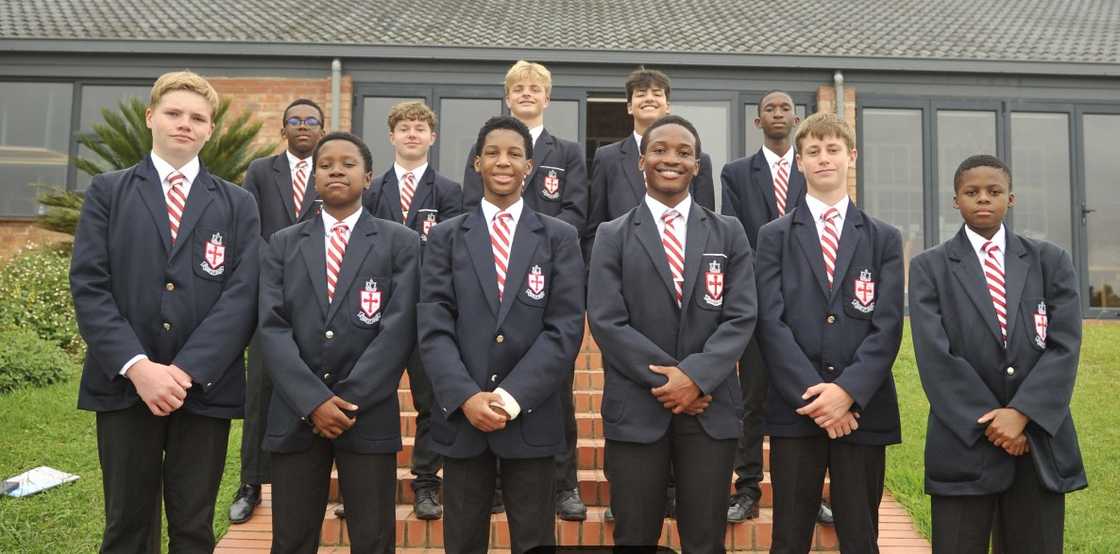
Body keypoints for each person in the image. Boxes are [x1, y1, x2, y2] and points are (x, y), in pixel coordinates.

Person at [70, 70, 261, 553]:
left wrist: (184, 371)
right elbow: (90, 286)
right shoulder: (109, 192)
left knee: (193, 526)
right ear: (151, 117)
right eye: (174, 113)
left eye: (198, 118)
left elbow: (242, 295)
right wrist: (139, 369)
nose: (185, 124)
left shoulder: (238, 204)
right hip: (124, 387)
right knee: (126, 525)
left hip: (204, 390)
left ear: (210, 130)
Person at [588, 114, 756, 551]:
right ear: (641, 161)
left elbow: (740, 316)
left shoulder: (729, 232)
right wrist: (672, 382)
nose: (671, 159)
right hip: (637, 410)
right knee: (634, 537)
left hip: (709, 410)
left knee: (705, 540)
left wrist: (697, 378)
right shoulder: (612, 235)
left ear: (697, 166)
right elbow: (607, 319)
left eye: (684, 152)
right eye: (660, 149)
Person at [420, 115, 585, 553]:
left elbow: (565, 327)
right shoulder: (445, 237)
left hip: (530, 418)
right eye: (492, 152)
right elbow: (434, 326)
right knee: (463, 540)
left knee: (533, 539)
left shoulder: (559, 237)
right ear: (476, 163)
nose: (503, 162)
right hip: (463, 419)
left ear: (530, 167)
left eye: (515, 153)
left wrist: (511, 397)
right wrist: (466, 396)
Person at [909, 154, 1087, 553]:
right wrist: (992, 423)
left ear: (1012, 198)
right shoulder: (929, 268)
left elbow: (1064, 345)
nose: (983, 199)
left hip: (1036, 445)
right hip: (963, 447)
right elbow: (935, 356)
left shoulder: (1050, 262)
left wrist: (1022, 414)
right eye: (971, 192)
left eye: (994, 191)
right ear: (956, 201)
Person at [259, 132, 419, 553]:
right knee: (291, 537)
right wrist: (313, 401)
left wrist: (347, 400)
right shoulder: (283, 243)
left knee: (373, 536)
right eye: (325, 163)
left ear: (368, 177)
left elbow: (399, 328)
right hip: (296, 413)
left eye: (348, 164)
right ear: (313, 178)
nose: (335, 169)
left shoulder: (399, 242)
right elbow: (272, 328)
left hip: (366, 413)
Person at [756, 112, 904, 553]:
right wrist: (816, 396)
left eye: (833, 149)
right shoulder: (774, 236)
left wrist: (847, 392)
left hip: (863, 410)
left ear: (851, 156)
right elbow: (770, 321)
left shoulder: (883, 238)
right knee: (789, 536)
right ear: (799, 161)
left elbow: (888, 324)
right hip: (797, 409)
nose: (824, 159)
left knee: (861, 535)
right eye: (813, 151)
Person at [461, 59, 589, 519]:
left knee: (556, 390)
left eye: (536, 88)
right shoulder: (487, 145)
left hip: (545, 277)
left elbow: (577, 209)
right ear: (508, 95)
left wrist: (534, 243)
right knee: (487, 377)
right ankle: (493, 485)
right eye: (520, 88)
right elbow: (467, 208)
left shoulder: (568, 151)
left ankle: (563, 485)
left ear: (547, 97)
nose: (528, 94)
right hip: (491, 285)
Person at [721, 90, 831, 525]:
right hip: (755, 300)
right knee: (751, 398)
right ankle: (747, 488)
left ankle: (813, 494)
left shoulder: (814, 171)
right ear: (758, 121)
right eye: (770, 108)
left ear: (797, 117)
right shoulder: (735, 174)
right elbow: (735, 235)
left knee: (810, 394)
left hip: (808, 304)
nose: (778, 114)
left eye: (786, 108)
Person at [362, 100, 463, 520]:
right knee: (367, 395)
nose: (412, 134)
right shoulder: (371, 191)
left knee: (432, 400)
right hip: (376, 311)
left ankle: (426, 483)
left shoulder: (449, 192)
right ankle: (364, 487)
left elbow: (454, 254)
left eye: (420, 128)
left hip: (425, 311)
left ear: (432, 137)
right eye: (404, 127)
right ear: (391, 136)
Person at [231, 97, 326, 524]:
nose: (303, 126)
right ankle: (251, 482)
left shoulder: (333, 170)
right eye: (295, 121)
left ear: (321, 130)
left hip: (322, 302)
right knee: (260, 392)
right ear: (283, 129)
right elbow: (249, 230)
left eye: (311, 121)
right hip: (269, 297)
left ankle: (328, 484)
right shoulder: (260, 172)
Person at [584, 67, 716, 258]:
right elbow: (594, 227)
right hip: (623, 263)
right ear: (629, 106)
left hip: (681, 262)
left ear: (667, 105)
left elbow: (706, 223)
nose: (649, 99)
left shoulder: (698, 159)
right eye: (641, 93)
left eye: (656, 93)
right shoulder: (607, 158)